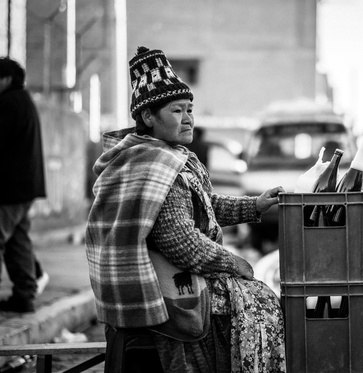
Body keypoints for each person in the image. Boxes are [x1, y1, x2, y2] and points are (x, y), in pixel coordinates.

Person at [85, 46, 286, 372]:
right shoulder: (159, 163)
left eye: (190, 109)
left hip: (156, 283)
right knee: (263, 309)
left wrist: (255, 205)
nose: (188, 117)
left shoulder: (163, 157)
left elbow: (202, 205)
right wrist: (234, 262)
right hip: (165, 295)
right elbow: (181, 241)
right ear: (148, 117)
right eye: (177, 110)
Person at [0, 57, 49, 313]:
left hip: (9, 187)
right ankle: (24, 295)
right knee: (17, 241)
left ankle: (24, 294)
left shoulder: (8, 103)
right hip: (25, 186)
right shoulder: (24, 101)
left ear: (6, 79)